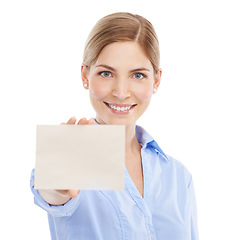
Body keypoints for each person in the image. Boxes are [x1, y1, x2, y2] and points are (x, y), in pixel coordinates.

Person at [30, 12, 199, 240]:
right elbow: (51, 192)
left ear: (156, 81)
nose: (120, 92)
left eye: (138, 75)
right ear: (85, 75)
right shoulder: (68, 156)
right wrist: (57, 185)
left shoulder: (178, 176)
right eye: (106, 73)